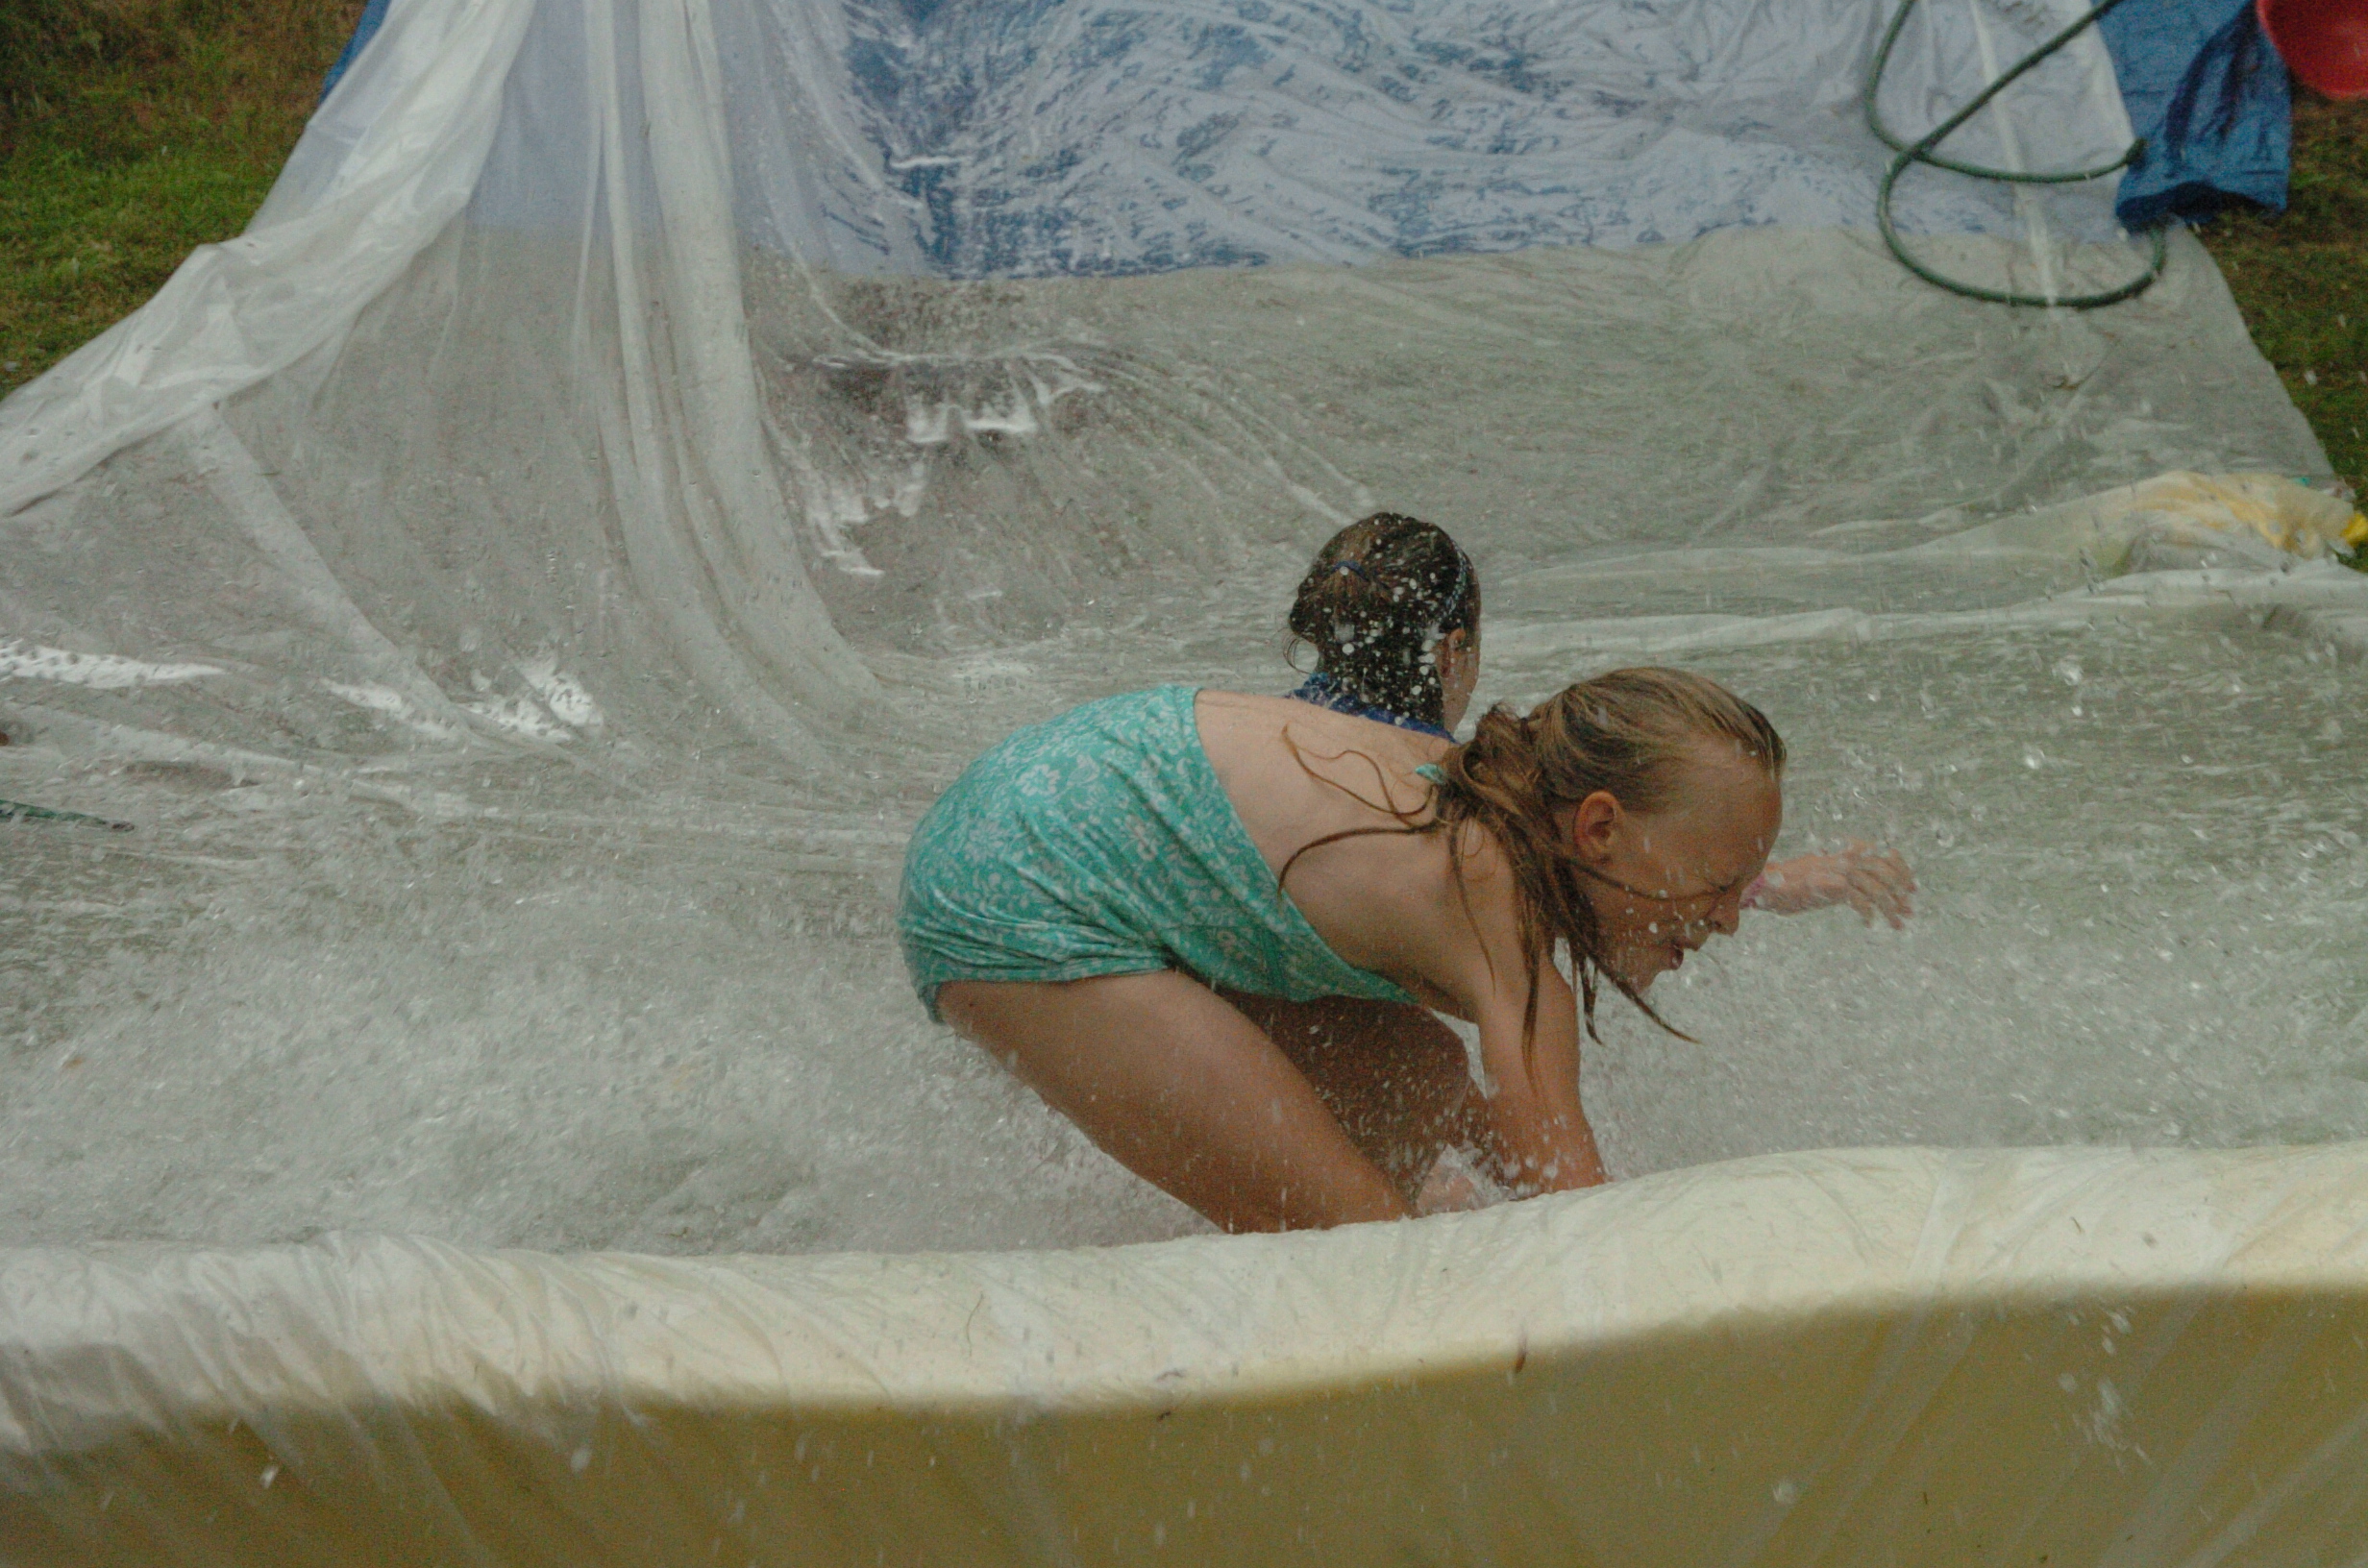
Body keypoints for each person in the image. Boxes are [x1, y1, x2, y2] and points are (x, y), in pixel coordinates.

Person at [900, 666, 1787, 1233]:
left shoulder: (1484, 798)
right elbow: (1573, 1210)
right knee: (1367, 1248)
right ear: (1599, 828)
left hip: (1054, 794)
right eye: (1718, 882)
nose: (1728, 919)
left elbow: (1523, 1155)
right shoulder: (1496, 911)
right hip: (1020, 887)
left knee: (1421, 1079)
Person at [1282, 512, 1916, 925]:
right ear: (1452, 652)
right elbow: (1572, 864)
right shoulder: (1441, 786)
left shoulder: (1273, 732)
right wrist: (1771, 885)